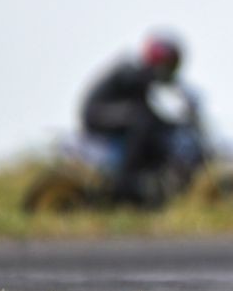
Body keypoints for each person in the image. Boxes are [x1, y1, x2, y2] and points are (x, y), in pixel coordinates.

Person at [79, 32, 189, 196]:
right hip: (97, 113)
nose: (171, 70)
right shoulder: (131, 69)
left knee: (151, 123)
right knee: (140, 119)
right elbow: (133, 83)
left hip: (117, 114)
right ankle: (125, 181)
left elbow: (155, 109)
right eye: (169, 64)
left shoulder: (146, 79)